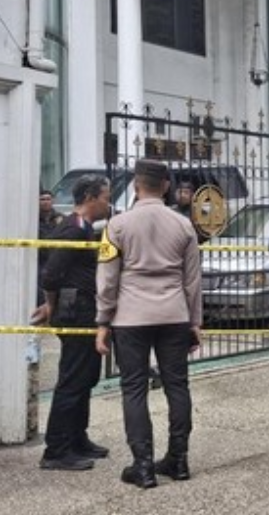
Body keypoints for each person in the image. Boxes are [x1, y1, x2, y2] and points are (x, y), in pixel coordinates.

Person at [96, 159, 202, 490]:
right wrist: (195, 321)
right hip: (173, 314)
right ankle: (179, 459)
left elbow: (107, 277)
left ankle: (143, 465)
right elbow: (193, 280)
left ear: (136, 185)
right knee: (177, 385)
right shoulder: (184, 226)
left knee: (134, 388)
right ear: (167, 186)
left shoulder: (116, 225)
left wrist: (103, 319)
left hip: (131, 316)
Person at [33, 175, 112, 471]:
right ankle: (57, 449)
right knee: (72, 379)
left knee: (86, 378)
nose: (108, 202)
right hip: (76, 309)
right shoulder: (73, 229)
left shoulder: (83, 228)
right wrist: (50, 305)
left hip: (85, 308)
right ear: (91, 197)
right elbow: (52, 274)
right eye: (105, 196)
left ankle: (78, 438)